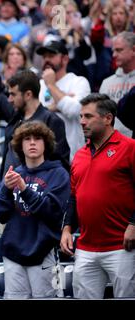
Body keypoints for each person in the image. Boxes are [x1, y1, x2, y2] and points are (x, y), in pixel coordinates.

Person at [60, 93, 135, 299]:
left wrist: (134, 224)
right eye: (81, 117)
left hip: (122, 247)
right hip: (85, 247)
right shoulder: (79, 155)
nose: (82, 122)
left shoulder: (130, 148)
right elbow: (74, 197)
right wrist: (67, 229)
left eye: (88, 116)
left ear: (107, 118)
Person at [0, 121, 70, 299]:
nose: (32, 142)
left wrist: (25, 189)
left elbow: (52, 213)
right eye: (27, 139)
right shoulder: (14, 174)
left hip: (43, 254)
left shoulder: (59, 174)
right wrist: (5, 189)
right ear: (20, 145)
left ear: (46, 143)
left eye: (38, 138)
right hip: (13, 254)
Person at [0, 42, 70, 178]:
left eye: (13, 94)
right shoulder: (15, 117)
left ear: (28, 95)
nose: (10, 99)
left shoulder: (51, 121)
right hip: (9, 192)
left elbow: (61, 166)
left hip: (37, 194)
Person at [37, 40, 91, 162]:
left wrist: (51, 85)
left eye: (51, 56)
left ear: (65, 59)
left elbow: (74, 110)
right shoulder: (38, 85)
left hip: (72, 158)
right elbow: (32, 115)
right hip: (42, 159)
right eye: (44, 56)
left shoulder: (79, 82)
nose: (46, 60)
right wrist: (57, 104)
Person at [99, 31, 135, 138]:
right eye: (113, 51)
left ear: (133, 50)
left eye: (119, 50)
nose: (114, 55)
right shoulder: (106, 82)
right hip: (112, 145)